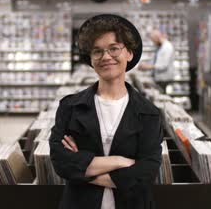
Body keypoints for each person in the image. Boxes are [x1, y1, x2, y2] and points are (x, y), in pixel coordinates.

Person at [49, 14, 163, 209]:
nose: (106, 57)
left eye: (114, 48)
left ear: (129, 53)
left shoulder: (149, 114)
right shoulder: (70, 107)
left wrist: (83, 172)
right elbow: (61, 162)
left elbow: (147, 171)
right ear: (91, 58)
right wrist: (120, 162)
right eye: (97, 51)